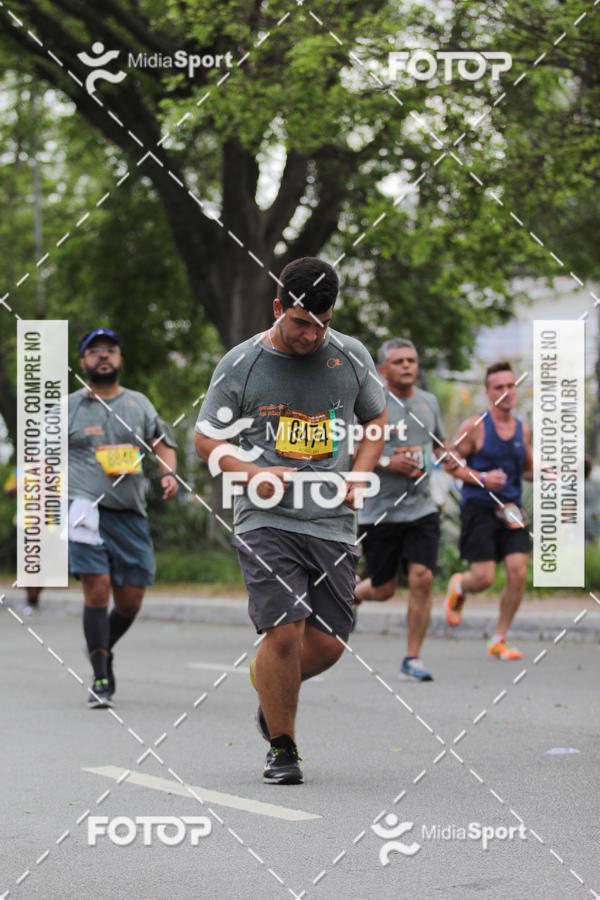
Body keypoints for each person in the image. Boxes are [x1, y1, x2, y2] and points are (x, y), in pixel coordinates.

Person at [195, 257, 386, 784]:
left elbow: (375, 420)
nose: (311, 334)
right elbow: (206, 439)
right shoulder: (243, 364)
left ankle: (270, 691)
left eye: (322, 323)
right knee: (283, 632)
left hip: (330, 521)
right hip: (265, 517)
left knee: (328, 642)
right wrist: (251, 471)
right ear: (278, 308)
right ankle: (283, 747)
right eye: (301, 322)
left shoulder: (350, 356)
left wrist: (359, 476)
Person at [68, 328, 178, 707]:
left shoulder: (139, 404)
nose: (103, 356)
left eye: (110, 350)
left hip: (130, 514)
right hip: (84, 510)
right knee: (97, 589)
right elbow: (42, 456)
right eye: (94, 351)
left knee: (130, 600)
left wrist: (167, 472)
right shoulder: (68, 408)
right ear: (83, 362)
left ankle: (100, 645)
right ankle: (101, 675)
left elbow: (162, 444)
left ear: (119, 359)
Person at [354, 339, 454, 682]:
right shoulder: (369, 403)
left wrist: (449, 458)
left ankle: (413, 657)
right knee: (383, 589)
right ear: (383, 369)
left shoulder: (428, 402)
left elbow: (439, 446)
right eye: (399, 361)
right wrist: (386, 460)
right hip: (379, 510)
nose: (408, 366)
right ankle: (355, 593)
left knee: (422, 577)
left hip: (421, 508)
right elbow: (347, 448)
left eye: (412, 360)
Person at [445, 361, 533, 660]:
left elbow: (527, 470)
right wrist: (482, 478)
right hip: (480, 507)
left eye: (511, 386)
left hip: (512, 508)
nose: (506, 392)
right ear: (487, 392)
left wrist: (552, 471)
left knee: (518, 573)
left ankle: (499, 637)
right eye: (499, 387)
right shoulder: (474, 426)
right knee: (482, 578)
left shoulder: (524, 429)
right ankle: (460, 584)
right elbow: (449, 463)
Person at [4, 468, 43, 611]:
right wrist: (19, 486)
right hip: (24, 524)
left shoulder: (53, 470)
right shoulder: (19, 471)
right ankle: (31, 599)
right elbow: (8, 490)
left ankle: (35, 596)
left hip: (46, 526)